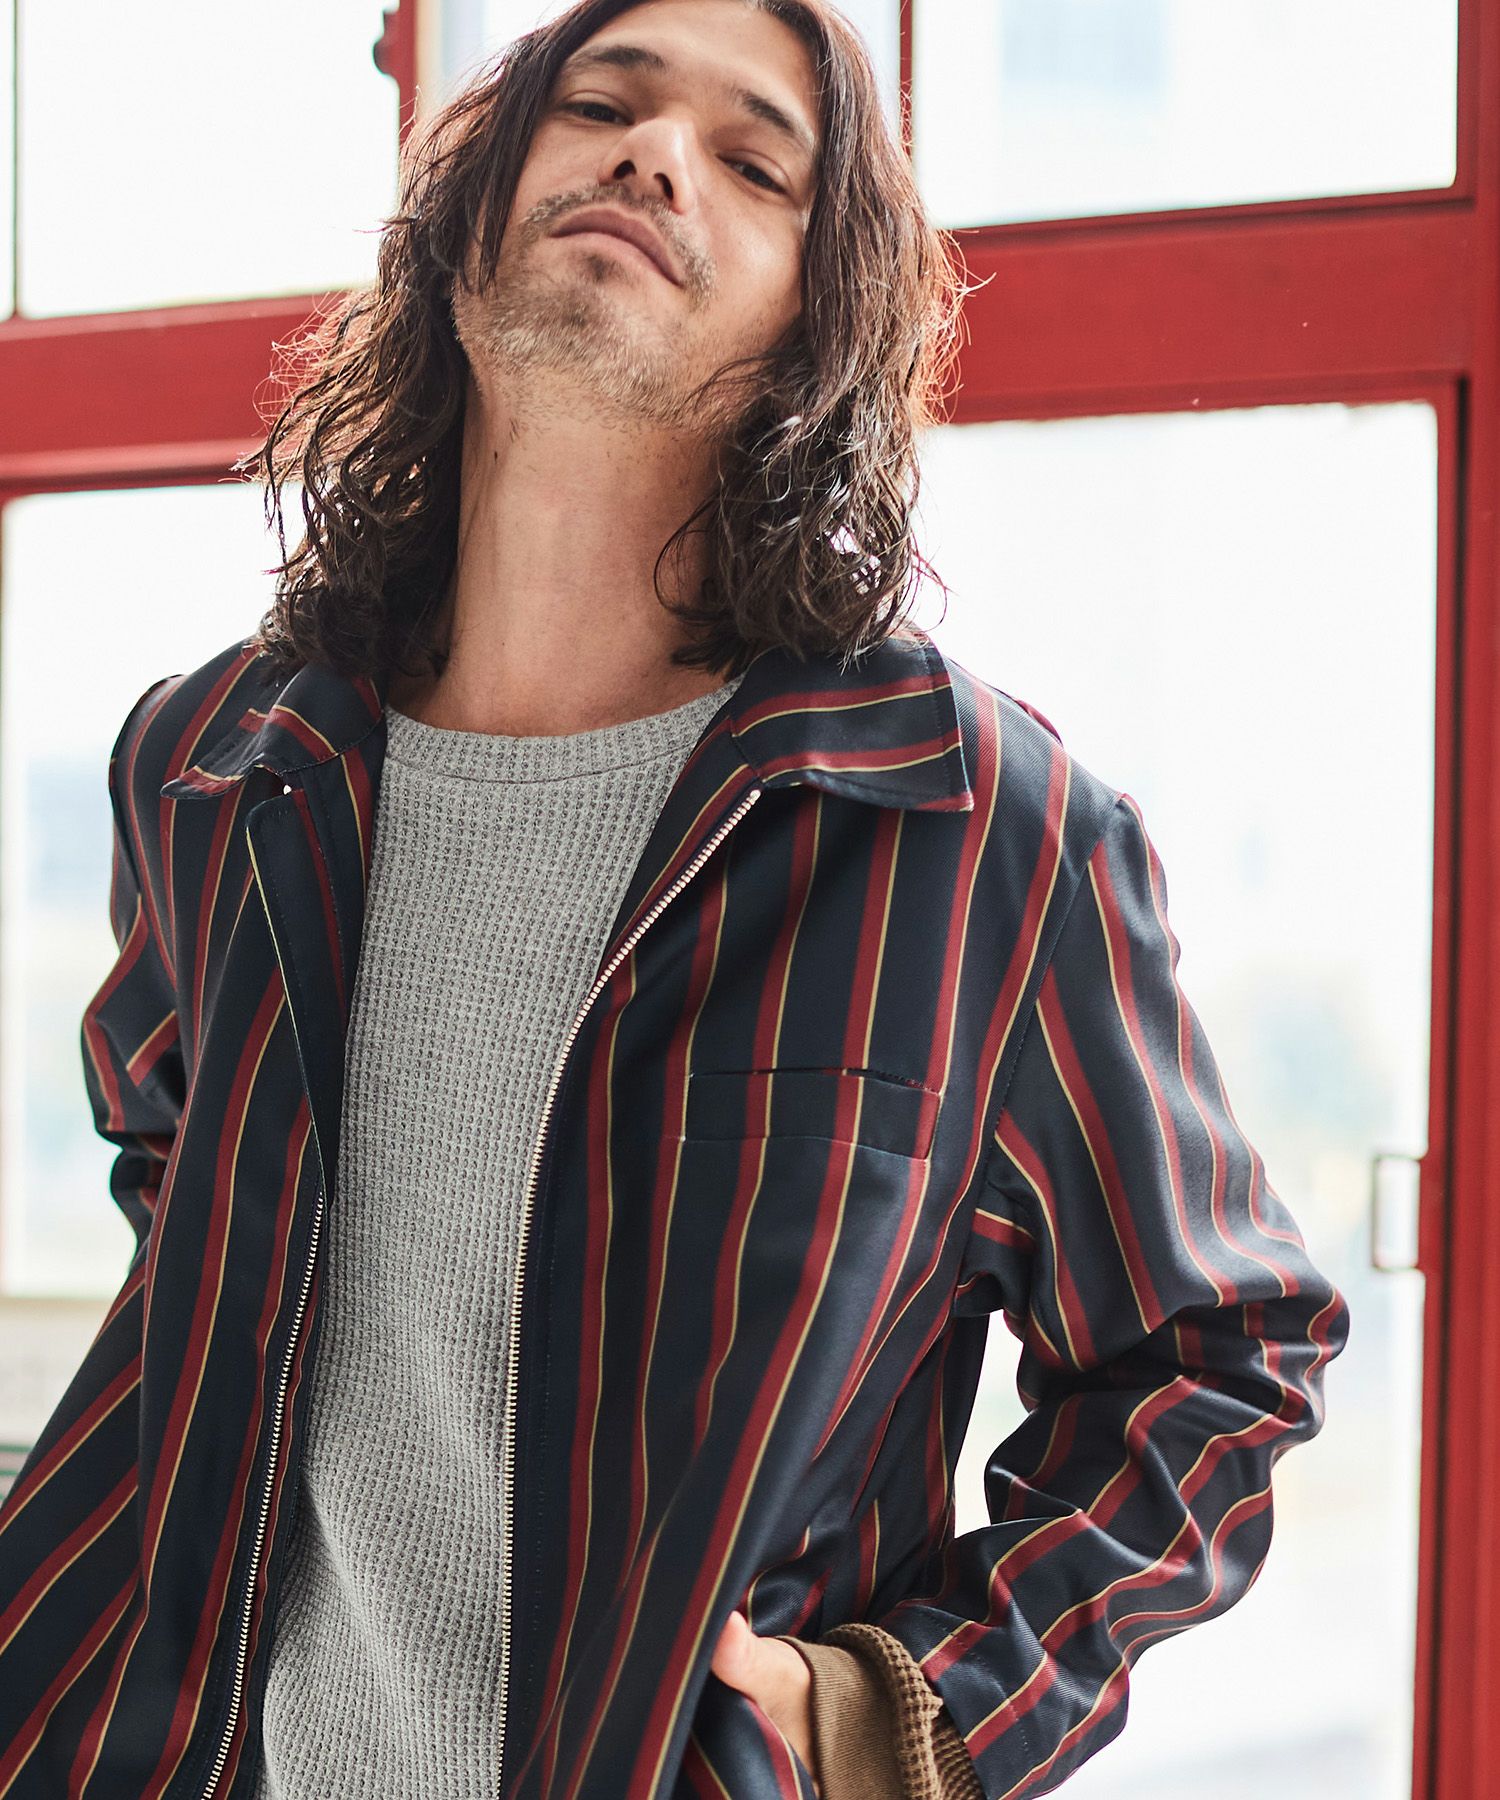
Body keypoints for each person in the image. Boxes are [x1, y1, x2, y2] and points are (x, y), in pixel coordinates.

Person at [0, 0, 1351, 1795]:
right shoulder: (217, 764)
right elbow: (182, 1181)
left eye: (753, 161)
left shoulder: (972, 826)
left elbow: (1219, 1355)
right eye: (602, 106)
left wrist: (891, 1714)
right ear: (468, 226)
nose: (652, 156)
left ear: (814, 325)